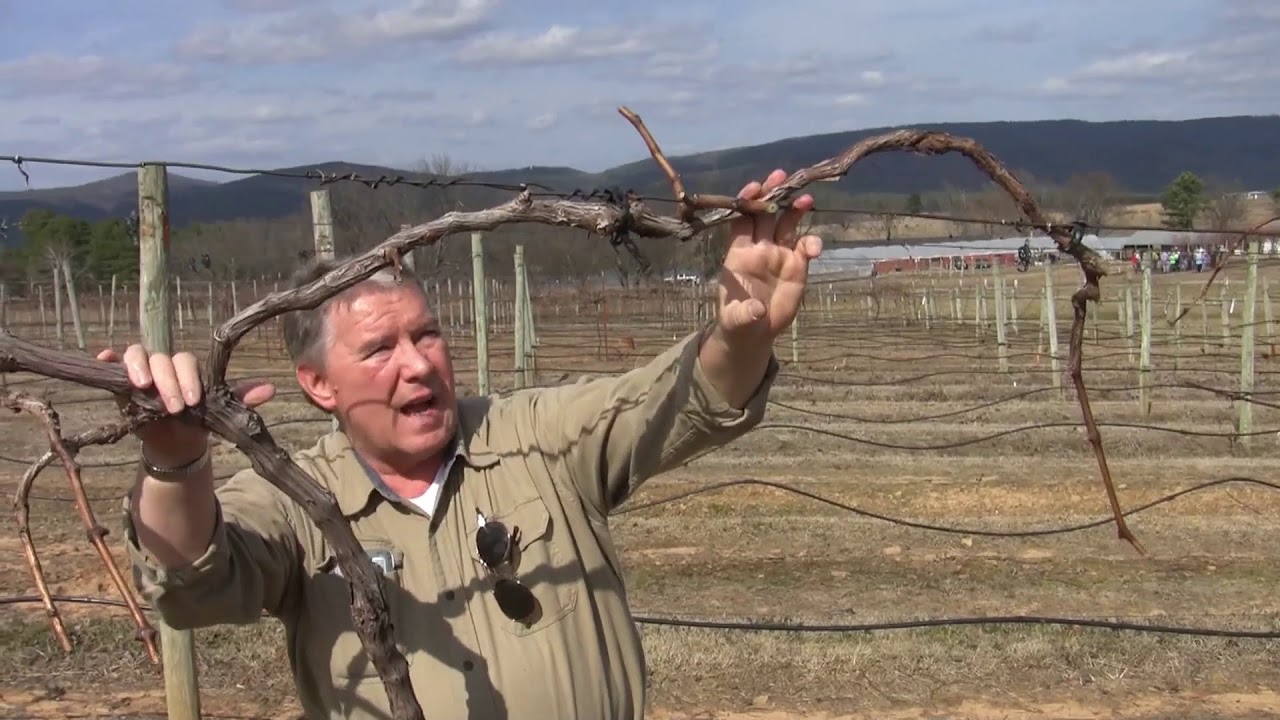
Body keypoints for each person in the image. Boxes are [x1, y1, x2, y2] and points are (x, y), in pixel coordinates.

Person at [104, 169, 823, 720]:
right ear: (318, 385)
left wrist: (742, 334)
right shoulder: (295, 500)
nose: (418, 363)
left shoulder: (534, 439)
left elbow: (672, 399)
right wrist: (174, 460)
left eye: (426, 334)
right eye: (380, 348)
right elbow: (191, 585)